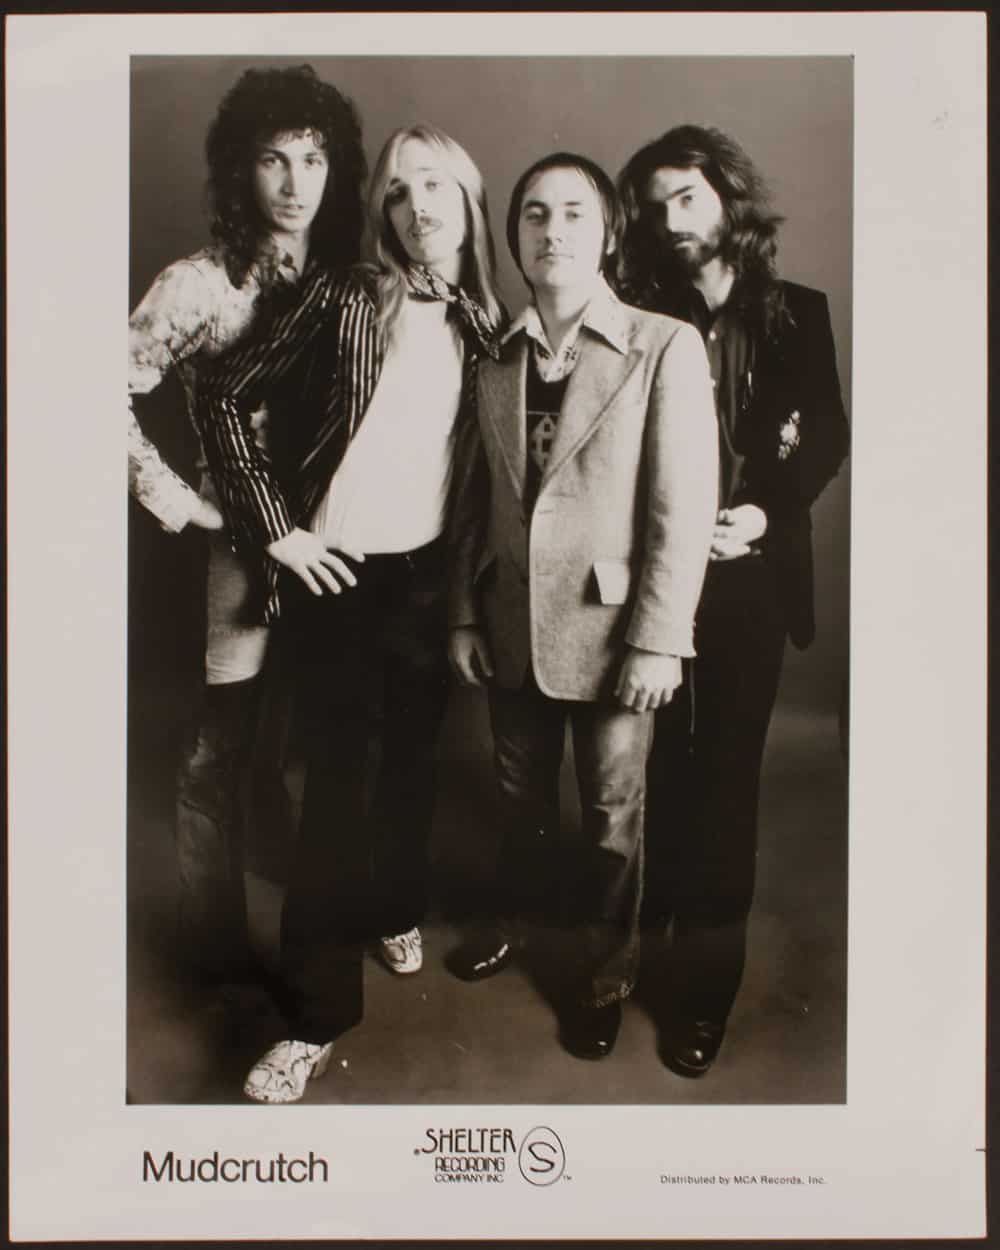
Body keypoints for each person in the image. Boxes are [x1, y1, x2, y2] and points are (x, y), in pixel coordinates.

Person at [199, 123, 504, 1102]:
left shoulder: (490, 320)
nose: (418, 207)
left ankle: (395, 905)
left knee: (411, 760)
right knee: (339, 789)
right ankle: (314, 1019)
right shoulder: (345, 295)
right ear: (382, 210)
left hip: (429, 577)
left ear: (469, 202)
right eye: (400, 191)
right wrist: (279, 531)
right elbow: (222, 392)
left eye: (436, 186)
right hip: (339, 577)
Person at [447, 153, 718, 1061]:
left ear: (607, 235)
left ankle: (605, 978)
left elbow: (681, 508)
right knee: (519, 798)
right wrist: (462, 613)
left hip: (613, 636)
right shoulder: (495, 355)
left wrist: (660, 640)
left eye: (574, 213)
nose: (552, 230)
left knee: (610, 821)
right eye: (534, 214)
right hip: (510, 624)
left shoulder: (662, 344)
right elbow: (473, 498)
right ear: (514, 236)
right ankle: (517, 922)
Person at [618, 124, 850, 1077]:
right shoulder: (636, 309)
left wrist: (762, 514)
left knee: (724, 786)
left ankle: (703, 995)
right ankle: (647, 944)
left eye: (688, 197)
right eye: (656, 205)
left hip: (752, 579)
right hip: (654, 580)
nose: (671, 219)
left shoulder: (799, 311)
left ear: (728, 200)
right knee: (659, 776)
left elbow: (827, 433)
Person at [128, 64, 365, 989]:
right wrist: (184, 502)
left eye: (314, 159)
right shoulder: (195, 285)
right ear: (242, 168)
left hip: (333, 533)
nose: (297, 182)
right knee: (220, 739)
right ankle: (212, 940)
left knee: (309, 725)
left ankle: (316, 895)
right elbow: (94, 394)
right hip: (237, 537)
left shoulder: (344, 275)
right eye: (275, 159)